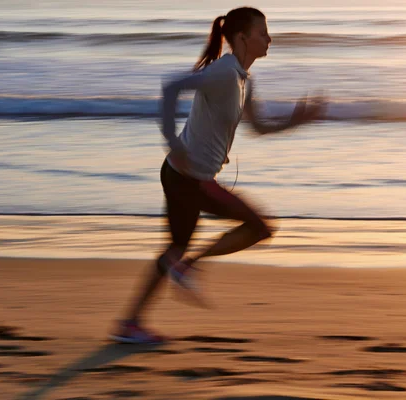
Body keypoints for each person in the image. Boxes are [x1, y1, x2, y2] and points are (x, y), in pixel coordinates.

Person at [110, 6, 326, 344]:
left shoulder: (243, 79)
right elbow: (171, 87)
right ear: (242, 37)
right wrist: (170, 139)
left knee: (175, 248)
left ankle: (130, 323)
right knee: (259, 227)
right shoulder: (225, 72)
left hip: (187, 176)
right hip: (189, 178)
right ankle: (187, 268)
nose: (269, 39)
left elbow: (260, 127)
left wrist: (299, 120)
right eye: (263, 33)